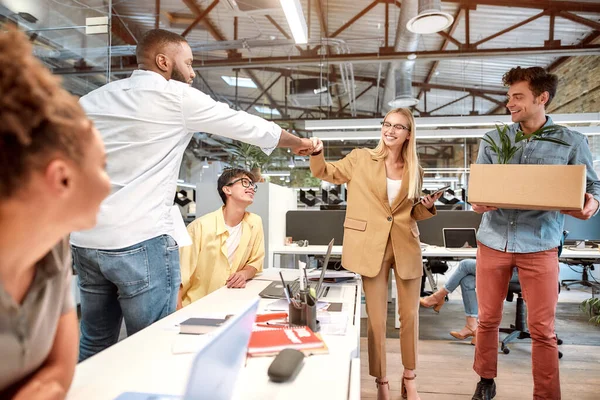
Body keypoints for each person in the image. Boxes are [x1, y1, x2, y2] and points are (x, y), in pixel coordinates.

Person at [70, 29, 317, 361]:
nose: (193, 71)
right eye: (187, 63)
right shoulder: (176, 97)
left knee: (94, 340)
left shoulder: (91, 100)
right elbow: (244, 124)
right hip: (140, 239)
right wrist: (296, 142)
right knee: (150, 345)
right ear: (163, 61)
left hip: (86, 239)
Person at [470, 66, 600, 400]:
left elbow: (595, 185)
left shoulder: (571, 141)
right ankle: (485, 379)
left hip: (540, 243)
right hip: (494, 240)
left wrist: (592, 203)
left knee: (543, 329)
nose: (509, 103)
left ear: (541, 98)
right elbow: (481, 184)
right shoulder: (494, 139)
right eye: (508, 96)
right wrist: (477, 200)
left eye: (517, 97)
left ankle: (546, 395)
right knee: (487, 319)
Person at [0, 29, 111, 399]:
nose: (109, 185)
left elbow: (60, 371)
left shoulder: (53, 246)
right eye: (102, 166)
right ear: (61, 178)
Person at [310, 108, 443, 400]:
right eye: (387, 124)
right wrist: (317, 153)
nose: (390, 130)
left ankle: (410, 378)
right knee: (378, 318)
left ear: (409, 134)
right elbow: (326, 172)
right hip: (371, 246)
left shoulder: (415, 169)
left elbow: (409, 212)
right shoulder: (360, 158)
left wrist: (428, 205)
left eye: (398, 127)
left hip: (405, 244)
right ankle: (381, 380)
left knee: (409, 316)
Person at [178, 168, 264, 307]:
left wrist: (244, 274)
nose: (251, 188)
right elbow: (180, 278)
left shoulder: (255, 222)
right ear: (227, 190)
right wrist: (177, 317)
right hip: (197, 305)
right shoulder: (199, 227)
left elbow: (255, 262)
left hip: (232, 300)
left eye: (252, 184)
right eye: (245, 182)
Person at [420, 259, 478, 344]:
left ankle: (437, 297)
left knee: (465, 265)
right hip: (497, 261)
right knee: (467, 281)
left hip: (502, 266)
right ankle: (472, 326)